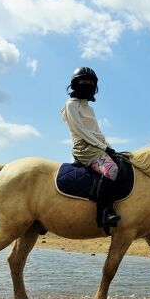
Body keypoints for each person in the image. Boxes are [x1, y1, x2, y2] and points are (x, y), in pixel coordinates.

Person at [61, 67, 121, 228]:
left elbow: (97, 132)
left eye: (90, 82)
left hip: (96, 145)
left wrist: (110, 148)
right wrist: (103, 147)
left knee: (123, 164)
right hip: (83, 147)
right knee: (112, 170)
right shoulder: (71, 105)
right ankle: (104, 213)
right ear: (75, 84)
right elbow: (80, 130)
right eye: (83, 81)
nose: (87, 84)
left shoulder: (89, 108)